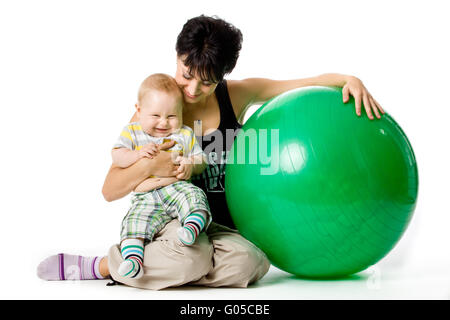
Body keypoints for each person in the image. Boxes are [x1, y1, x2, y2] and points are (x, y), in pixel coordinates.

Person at [37, 15, 384, 289]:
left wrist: (346, 79)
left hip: (220, 228)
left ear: (222, 77)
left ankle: (152, 264)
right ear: (177, 57)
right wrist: (153, 163)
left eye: (207, 82)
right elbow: (110, 189)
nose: (192, 89)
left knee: (254, 264)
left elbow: (293, 85)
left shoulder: (236, 95)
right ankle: (102, 265)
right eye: (186, 74)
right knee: (191, 257)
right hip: (171, 218)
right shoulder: (159, 110)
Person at [112, 73, 212, 279]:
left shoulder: (184, 134)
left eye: (172, 116)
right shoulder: (132, 132)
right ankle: (133, 260)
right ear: (139, 111)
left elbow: (201, 159)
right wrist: (137, 154)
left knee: (195, 197)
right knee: (134, 221)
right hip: (145, 196)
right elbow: (117, 156)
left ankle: (191, 228)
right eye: (156, 116)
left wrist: (190, 165)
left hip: (178, 189)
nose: (164, 123)